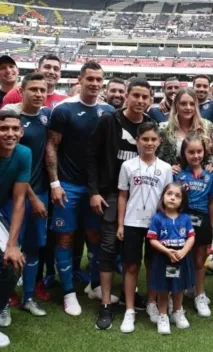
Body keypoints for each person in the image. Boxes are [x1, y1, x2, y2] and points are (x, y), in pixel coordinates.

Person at [45, 61, 114, 316]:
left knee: (96, 237)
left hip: (95, 188)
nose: (95, 84)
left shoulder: (107, 111)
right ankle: (68, 292)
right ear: (80, 80)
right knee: (65, 237)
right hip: (68, 186)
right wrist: (55, 183)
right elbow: (52, 146)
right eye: (90, 79)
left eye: (99, 79)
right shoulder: (64, 109)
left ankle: (95, 285)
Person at [87, 78, 155, 329]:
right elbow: (92, 156)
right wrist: (93, 191)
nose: (140, 101)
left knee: (134, 251)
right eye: (135, 95)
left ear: (150, 99)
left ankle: (135, 296)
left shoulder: (151, 125)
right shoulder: (109, 120)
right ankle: (105, 303)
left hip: (141, 196)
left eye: (145, 97)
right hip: (111, 194)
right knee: (108, 249)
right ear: (127, 95)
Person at [1, 73, 50, 316]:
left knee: (33, 247)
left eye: (43, 90)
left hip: (40, 191)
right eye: (34, 89)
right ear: (22, 90)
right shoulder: (12, 115)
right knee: (10, 248)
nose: (39, 94)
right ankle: (5, 299)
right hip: (17, 196)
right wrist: (32, 196)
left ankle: (27, 297)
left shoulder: (46, 115)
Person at [117, 122, 172, 333]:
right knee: (131, 266)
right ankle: (130, 310)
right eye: (145, 139)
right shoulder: (127, 166)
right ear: (137, 141)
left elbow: (168, 199)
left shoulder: (166, 168)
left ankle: (151, 303)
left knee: (153, 265)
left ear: (159, 142)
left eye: (153, 139)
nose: (149, 143)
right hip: (132, 222)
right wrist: (120, 223)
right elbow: (122, 195)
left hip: (156, 224)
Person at [174, 134, 213, 317]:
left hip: (203, 221)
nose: (195, 155)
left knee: (200, 261)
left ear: (204, 152)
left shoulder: (210, 174)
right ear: (184, 153)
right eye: (191, 152)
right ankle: (177, 296)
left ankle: (200, 295)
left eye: (199, 151)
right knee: (181, 260)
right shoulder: (177, 174)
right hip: (182, 220)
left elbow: (211, 203)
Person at [147, 182, 195, 335]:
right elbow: (152, 240)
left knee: (178, 288)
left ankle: (177, 312)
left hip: (180, 260)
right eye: (169, 194)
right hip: (163, 260)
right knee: (163, 289)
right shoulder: (157, 219)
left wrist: (184, 251)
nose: (173, 198)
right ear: (163, 197)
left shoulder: (186, 218)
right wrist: (167, 251)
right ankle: (163, 316)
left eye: (177, 196)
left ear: (182, 201)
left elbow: (191, 237)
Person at [0, 109, 31, 348]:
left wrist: (11, 244)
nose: (9, 134)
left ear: (21, 132)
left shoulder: (23, 153)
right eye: (3, 129)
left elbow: (19, 200)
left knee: (13, 263)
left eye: (14, 129)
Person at [158, 88, 213, 172]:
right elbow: (157, 159)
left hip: (200, 181)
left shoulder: (207, 126)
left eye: (192, 104)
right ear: (176, 105)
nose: (188, 107)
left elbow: (212, 155)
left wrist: (211, 165)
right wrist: (168, 168)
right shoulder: (163, 129)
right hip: (173, 181)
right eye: (183, 104)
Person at [1, 54, 67, 109]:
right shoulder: (15, 94)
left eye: (56, 69)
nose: (52, 72)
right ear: (37, 71)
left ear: (60, 74)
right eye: (47, 67)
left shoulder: (66, 100)